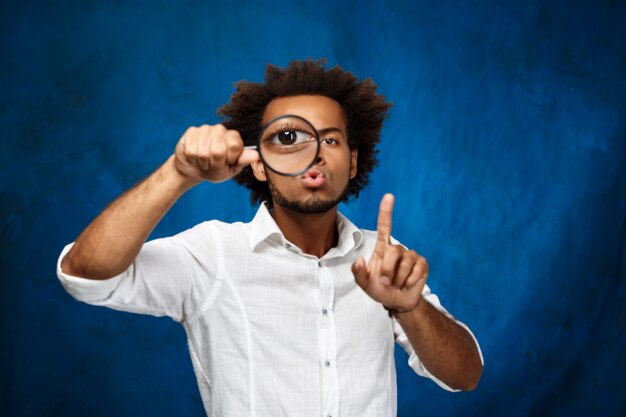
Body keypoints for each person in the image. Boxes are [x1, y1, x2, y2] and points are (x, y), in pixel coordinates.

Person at [57, 59, 483, 417]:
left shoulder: (385, 260)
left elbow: (466, 375)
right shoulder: (214, 254)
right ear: (258, 165)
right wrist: (178, 174)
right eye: (287, 138)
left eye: (329, 139)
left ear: (352, 162)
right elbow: (85, 274)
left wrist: (409, 308)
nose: (313, 153)